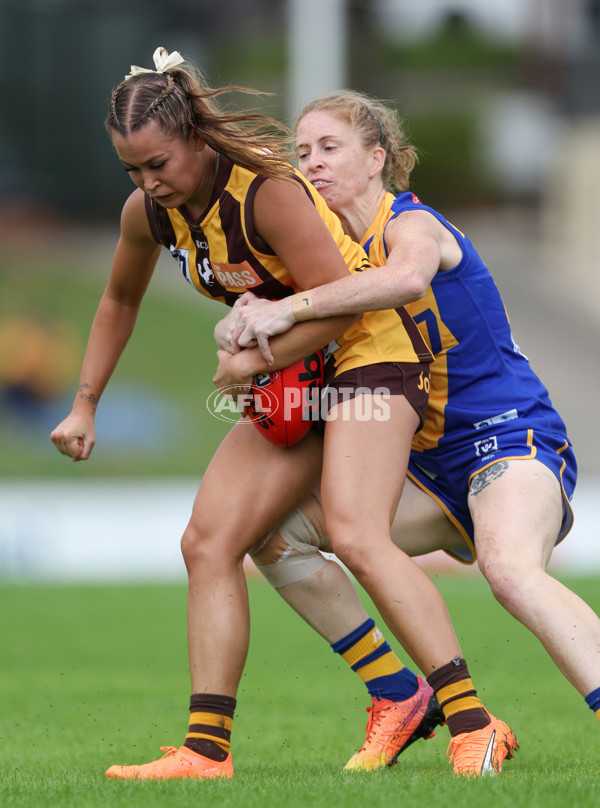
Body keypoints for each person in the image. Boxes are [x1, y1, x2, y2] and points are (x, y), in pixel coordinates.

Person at [49, 49, 514, 781]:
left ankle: (470, 716)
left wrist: (248, 362)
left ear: (197, 141)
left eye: (159, 164)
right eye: (132, 171)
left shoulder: (267, 192)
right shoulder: (151, 213)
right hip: (296, 382)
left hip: (365, 363)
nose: (148, 183)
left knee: (354, 537)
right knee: (209, 542)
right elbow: (119, 300)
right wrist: (84, 405)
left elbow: (335, 303)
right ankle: (215, 750)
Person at [217, 89, 600, 772]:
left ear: (378, 158)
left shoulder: (411, 224)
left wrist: (291, 309)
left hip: (506, 440)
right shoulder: (320, 260)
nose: (313, 165)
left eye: (330, 148)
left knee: (509, 570)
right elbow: (272, 349)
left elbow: (404, 279)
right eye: (302, 155)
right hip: (423, 469)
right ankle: (401, 695)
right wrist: (238, 336)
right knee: (275, 536)